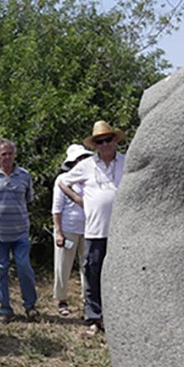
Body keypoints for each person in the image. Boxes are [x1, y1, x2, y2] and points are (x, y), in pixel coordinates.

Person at [59, 121, 126, 335]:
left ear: (115, 140)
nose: (105, 144)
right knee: (92, 273)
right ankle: (94, 318)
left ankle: (117, 317)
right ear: (95, 145)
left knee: (119, 275)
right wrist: (80, 200)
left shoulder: (126, 162)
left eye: (108, 139)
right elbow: (63, 182)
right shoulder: (86, 165)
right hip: (95, 230)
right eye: (100, 141)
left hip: (121, 230)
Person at [0, 138, 38, 323]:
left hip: (20, 233)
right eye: (3, 154)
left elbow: (28, 201)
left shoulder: (25, 176)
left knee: (24, 268)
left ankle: (30, 306)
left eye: (10, 153)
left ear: (15, 155)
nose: (7, 157)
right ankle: (5, 309)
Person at [52, 144, 91, 317]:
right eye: (79, 159)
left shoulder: (90, 178)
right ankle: (61, 300)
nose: (82, 161)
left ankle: (88, 300)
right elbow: (57, 209)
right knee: (63, 266)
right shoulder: (63, 179)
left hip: (90, 229)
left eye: (84, 158)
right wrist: (59, 232)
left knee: (88, 266)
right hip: (68, 229)